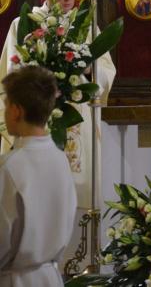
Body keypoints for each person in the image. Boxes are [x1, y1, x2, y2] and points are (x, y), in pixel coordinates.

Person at [0, 0, 116, 210]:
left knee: (78, 181)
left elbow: (106, 70)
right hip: (37, 112)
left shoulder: (85, 25)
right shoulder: (24, 24)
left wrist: (89, 70)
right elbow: (13, 69)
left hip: (77, 111)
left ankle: (81, 229)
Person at [0, 66, 77, 287]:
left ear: (16, 111)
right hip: (49, 277)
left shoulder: (10, 166)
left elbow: (3, 237)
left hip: (14, 279)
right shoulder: (61, 159)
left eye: (5, 105)